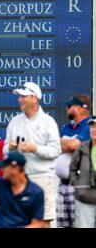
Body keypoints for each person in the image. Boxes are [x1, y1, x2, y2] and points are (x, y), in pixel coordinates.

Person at [4, 82, 61, 227]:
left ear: (35, 98)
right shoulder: (14, 122)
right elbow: (4, 151)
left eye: (23, 96)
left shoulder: (48, 122)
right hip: (19, 179)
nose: (19, 99)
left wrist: (35, 148)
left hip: (43, 177)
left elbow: (55, 150)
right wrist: (10, 148)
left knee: (43, 222)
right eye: (20, 96)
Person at [56, 94, 91, 228]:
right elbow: (56, 146)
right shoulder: (66, 127)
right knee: (63, 225)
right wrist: (67, 144)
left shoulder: (90, 126)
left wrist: (67, 144)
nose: (67, 109)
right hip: (62, 185)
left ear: (81, 108)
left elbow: (73, 146)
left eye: (70, 106)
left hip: (80, 185)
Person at [0, 151, 44, 228]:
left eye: (4, 166)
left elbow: (37, 224)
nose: (1, 169)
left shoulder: (36, 192)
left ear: (15, 168)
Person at [69, 116, 96, 228]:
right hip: (85, 198)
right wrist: (78, 186)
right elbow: (72, 169)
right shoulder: (82, 147)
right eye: (92, 127)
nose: (94, 130)